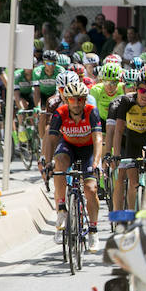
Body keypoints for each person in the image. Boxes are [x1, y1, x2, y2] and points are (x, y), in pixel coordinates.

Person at [42, 81, 104, 251]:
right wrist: (48, 162)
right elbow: (52, 139)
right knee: (58, 165)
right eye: (72, 100)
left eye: (80, 99)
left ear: (85, 99)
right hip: (68, 146)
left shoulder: (92, 112)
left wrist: (96, 164)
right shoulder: (60, 113)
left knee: (90, 189)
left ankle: (93, 230)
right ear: (66, 100)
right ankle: (61, 209)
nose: (76, 103)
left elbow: (98, 139)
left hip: (88, 149)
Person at [111, 70, 146, 212]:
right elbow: (118, 131)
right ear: (137, 89)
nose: (145, 95)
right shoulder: (126, 101)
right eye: (142, 90)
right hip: (132, 136)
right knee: (133, 183)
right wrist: (117, 155)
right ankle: (132, 217)